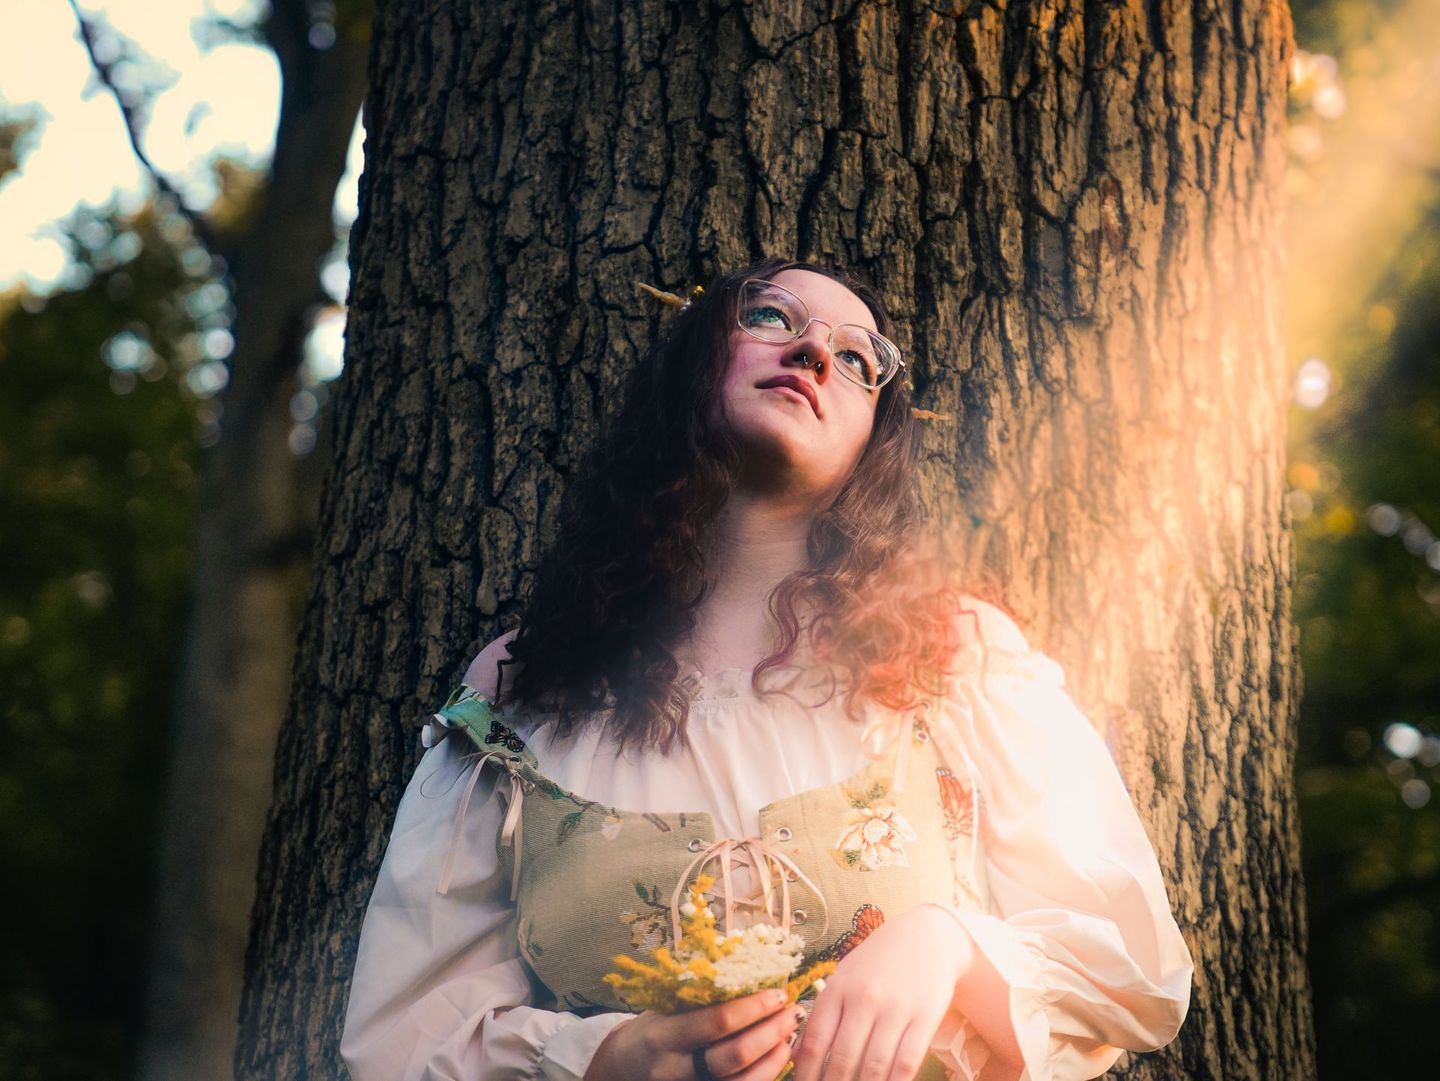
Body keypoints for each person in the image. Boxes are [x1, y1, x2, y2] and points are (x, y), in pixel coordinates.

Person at [338, 258, 1194, 1081]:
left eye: (858, 359)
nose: (815, 352)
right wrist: (602, 1059)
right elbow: (399, 1041)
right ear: (695, 360)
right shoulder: (526, 689)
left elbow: (1133, 968)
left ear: (873, 439)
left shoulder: (953, 658)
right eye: (770, 317)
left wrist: (953, 943)